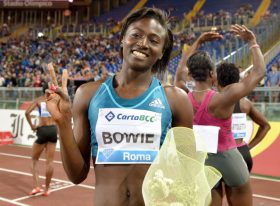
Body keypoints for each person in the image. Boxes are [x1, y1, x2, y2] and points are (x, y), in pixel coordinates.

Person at [45, 7, 193, 206]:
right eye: (136, 35)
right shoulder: (88, 94)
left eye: (154, 40)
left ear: (162, 52)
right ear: (123, 38)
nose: (143, 44)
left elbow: (187, 172)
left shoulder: (177, 99)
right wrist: (63, 123)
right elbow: (76, 175)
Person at [175, 25, 265, 206]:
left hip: (203, 161)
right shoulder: (223, 99)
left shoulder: (183, 96)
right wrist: (252, 42)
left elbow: (180, 72)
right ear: (212, 74)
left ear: (191, 75)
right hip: (229, 158)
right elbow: (258, 72)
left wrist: (197, 42)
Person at [216, 62, 271, 172]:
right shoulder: (245, 103)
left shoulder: (212, 101)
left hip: (222, 154)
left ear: (217, 82)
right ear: (238, 80)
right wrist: (249, 147)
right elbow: (266, 126)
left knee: (216, 189)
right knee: (243, 189)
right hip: (242, 152)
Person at [25, 83, 58, 197]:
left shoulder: (39, 100)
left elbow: (27, 113)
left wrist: (32, 126)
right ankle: (47, 190)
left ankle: (37, 187)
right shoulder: (56, 100)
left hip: (43, 130)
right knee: (50, 162)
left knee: (34, 160)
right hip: (53, 130)